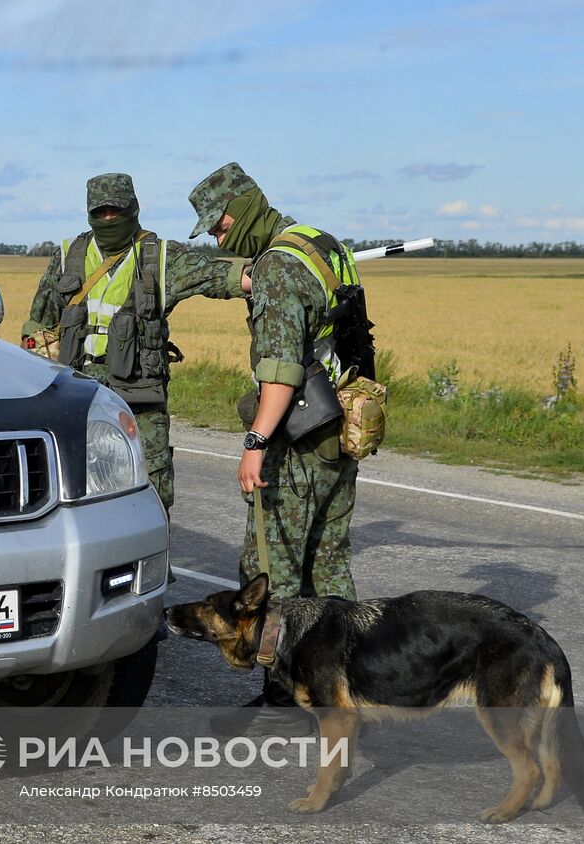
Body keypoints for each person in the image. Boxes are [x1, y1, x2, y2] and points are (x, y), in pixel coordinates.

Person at [187, 162, 359, 736]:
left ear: (244, 207)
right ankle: (345, 685)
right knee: (329, 566)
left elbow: (281, 372)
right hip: (339, 435)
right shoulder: (318, 243)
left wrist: (256, 443)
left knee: (272, 569)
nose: (217, 238)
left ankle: (284, 690)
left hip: (299, 439)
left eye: (219, 226)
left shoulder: (279, 269)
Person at [23, 173, 249, 511]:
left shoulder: (159, 258)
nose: (109, 220)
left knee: (151, 492)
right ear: (90, 214)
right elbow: (36, 330)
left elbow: (219, 276)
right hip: (78, 396)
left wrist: (269, 273)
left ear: (134, 209)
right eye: (101, 213)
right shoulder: (68, 256)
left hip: (140, 399)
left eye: (117, 211)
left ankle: (153, 560)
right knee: (76, 490)